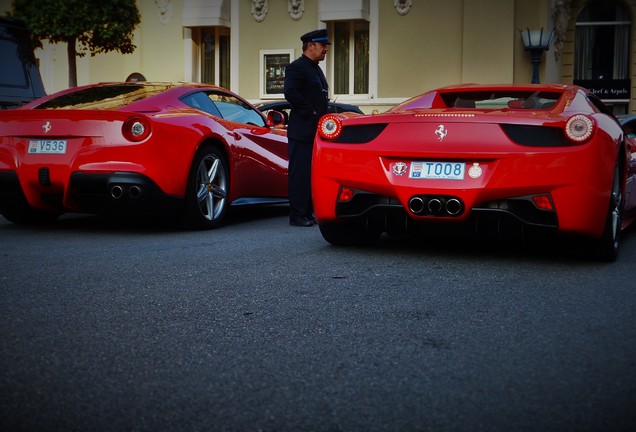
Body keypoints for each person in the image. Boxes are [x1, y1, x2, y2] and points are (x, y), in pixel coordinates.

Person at [284, 29, 331, 227]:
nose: (326, 49)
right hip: (302, 130)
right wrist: (310, 111)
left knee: (311, 174)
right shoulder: (297, 67)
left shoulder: (315, 68)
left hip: (315, 132)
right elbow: (290, 92)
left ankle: (308, 212)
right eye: (322, 45)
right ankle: (297, 214)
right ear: (310, 45)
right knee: (300, 173)